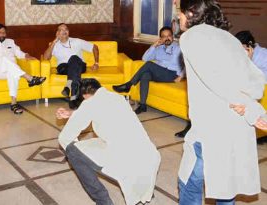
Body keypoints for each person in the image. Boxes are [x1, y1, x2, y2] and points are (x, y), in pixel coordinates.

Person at [177, 0, 267, 204]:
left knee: (189, 182)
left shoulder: (190, 37)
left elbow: (214, 78)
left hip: (212, 127)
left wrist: (247, 106)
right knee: (226, 187)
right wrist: (251, 108)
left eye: (180, 12)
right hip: (237, 123)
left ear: (191, 13)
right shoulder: (229, 38)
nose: (178, 17)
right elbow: (255, 79)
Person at [57, 78, 160, 205]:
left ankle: (103, 201)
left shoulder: (89, 104)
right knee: (121, 140)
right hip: (150, 156)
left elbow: (65, 136)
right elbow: (99, 110)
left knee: (72, 151)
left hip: (128, 161)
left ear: (85, 95)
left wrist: (72, 141)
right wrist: (73, 113)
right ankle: (144, 189)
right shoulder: (118, 98)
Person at [112, 26, 184, 114]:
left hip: (172, 74)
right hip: (160, 73)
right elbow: (144, 58)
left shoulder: (178, 48)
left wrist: (181, 76)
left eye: (169, 35)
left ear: (172, 36)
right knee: (145, 75)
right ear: (160, 38)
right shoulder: (158, 48)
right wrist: (154, 45)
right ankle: (142, 106)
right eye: (164, 36)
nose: (167, 38)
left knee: (149, 65)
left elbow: (188, 62)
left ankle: (129, 84)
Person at [43, 23, 99, 109]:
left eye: (66, 29)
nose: (64, 31)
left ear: (68, 32)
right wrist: (54, 41)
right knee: (74, 60)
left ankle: (69, 86)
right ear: (57, 33)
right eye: (61, 30)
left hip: (80, 66)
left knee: (74, 58)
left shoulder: (77, 41)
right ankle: (73, 97)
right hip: (63, 67)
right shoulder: (54, 44)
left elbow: (94, 47)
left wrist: (96, 63)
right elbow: (46, 58)